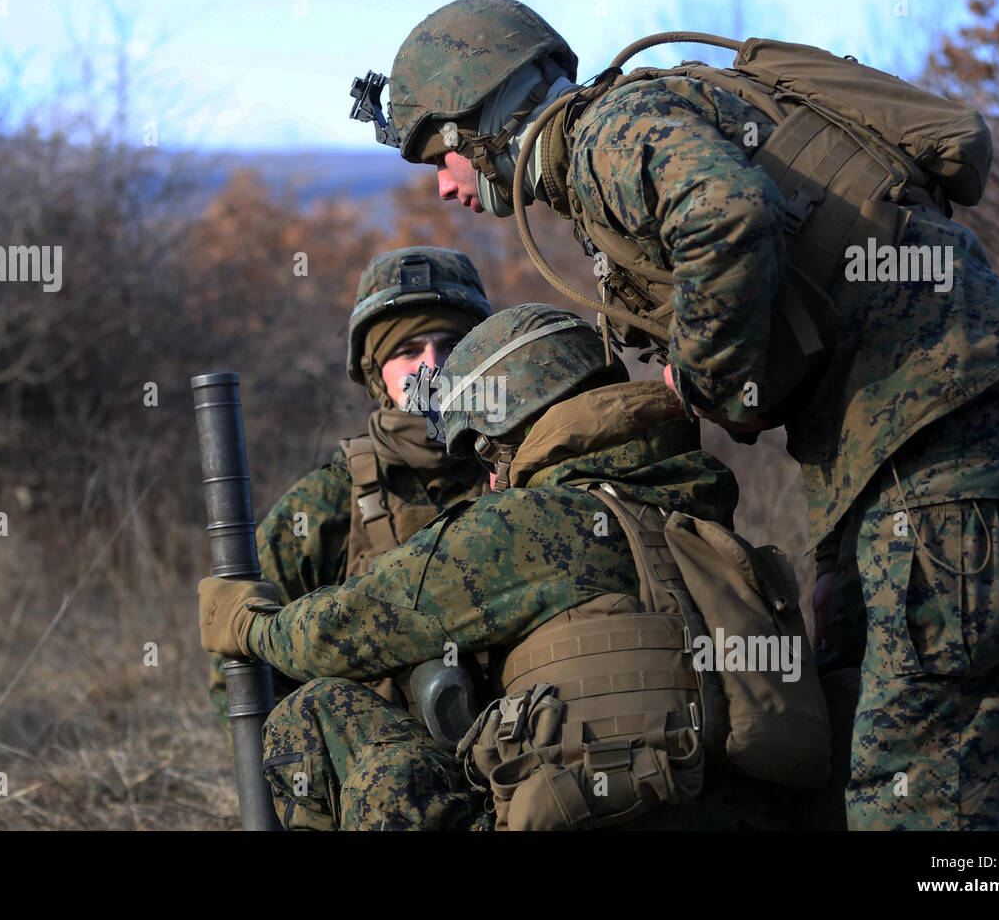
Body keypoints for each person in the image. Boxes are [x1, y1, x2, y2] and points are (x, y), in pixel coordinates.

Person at [353, 0, 999, 830]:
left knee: (924, 759)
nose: (442, 184)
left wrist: (700, 380)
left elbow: (727, 212)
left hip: (942, 409)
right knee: (856, 720)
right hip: (889, 429)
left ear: (482, 118)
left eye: (439, 154)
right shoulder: (617, 135)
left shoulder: (603, 135)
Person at [200, 303, 801, 831]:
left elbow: (337, 633)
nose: (489, 477)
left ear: (515, 427)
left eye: (487, 450)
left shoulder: (527, 524)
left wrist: (249, 623)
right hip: (744, 812)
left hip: (593, 814)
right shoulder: (695, 505)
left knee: (318, 707)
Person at [207, 246, 493, 732]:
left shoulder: (519, 470)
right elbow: (239, 675)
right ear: (373, 371)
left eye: (450, 345)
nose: (433, 365)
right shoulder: (324, 503)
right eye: (408, 351)